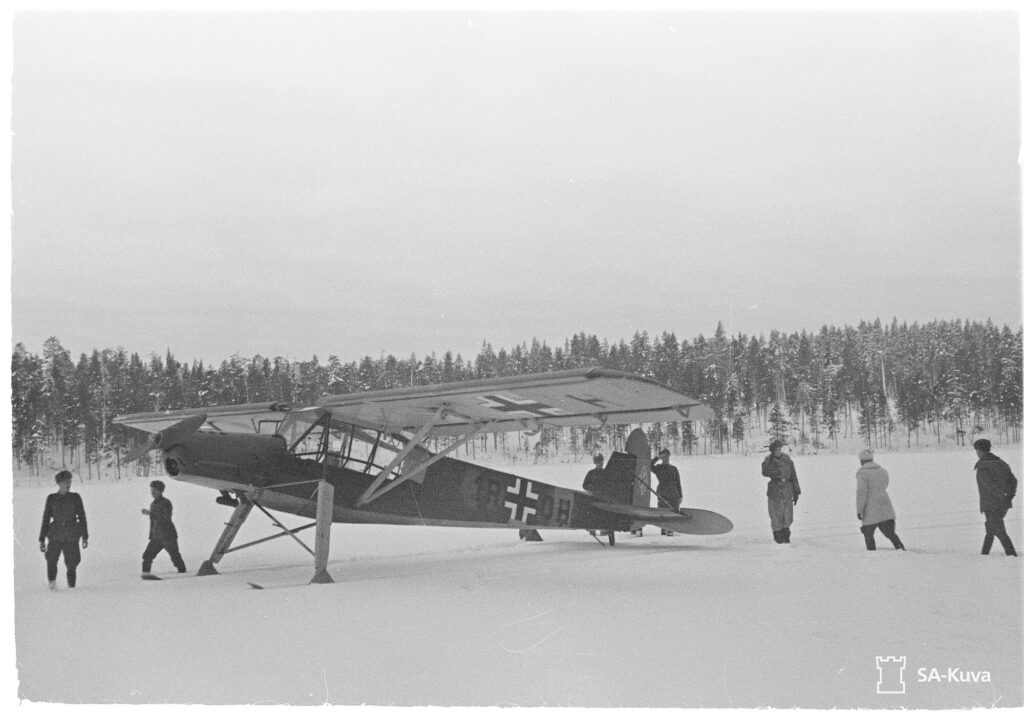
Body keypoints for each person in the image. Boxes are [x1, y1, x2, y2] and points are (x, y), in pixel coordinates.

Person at [38, 470, 88, 590]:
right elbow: (45, 518)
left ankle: (71, 587)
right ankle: (52, 585)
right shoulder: (51, 498)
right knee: (51, 560)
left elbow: (82, 517)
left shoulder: (75, 498)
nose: (68, 484)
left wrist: (85, 536)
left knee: (72, 564)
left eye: (70, 481)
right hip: (55, 535)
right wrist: (42, 539)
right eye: (66, 481)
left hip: (71, 536)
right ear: (59, 483)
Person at [973, 438, 1017, 557]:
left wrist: (1002, 497)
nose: (976, 453)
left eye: (976, 450)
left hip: (991, 505)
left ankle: (1012, 556)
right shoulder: (1001, 462)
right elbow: (1013, 481)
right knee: (991, 530)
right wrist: (1009, 496)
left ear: (980, 450)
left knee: (999, 532)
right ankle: (984, 555)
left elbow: (989, 486)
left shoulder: (982, 466)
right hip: (1003, 504)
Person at [856, 450, 905, 551]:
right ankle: (901, 550)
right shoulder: (882, 471)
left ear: (861, 461)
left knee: (868, 533)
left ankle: (871, 554)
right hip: (885, 505)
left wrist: (859, 510)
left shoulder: (862, 474)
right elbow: (885, 484)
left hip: (870, 509)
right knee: (890, 533)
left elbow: (861, 493)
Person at [141, 480, 187, 575]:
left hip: (168, 536)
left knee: (175, 556)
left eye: (154, 490)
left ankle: (183, 574)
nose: (152, 493)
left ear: (160, 491)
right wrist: (152, 535)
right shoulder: (153, 504)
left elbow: (165, 518)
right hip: (156, 537)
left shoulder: (166, 503)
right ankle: (145, 574)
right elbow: (153, 522)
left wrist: (150, 513)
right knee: (147, 556)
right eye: (151, 490)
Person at [762, 440, 800, 543]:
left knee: (787, 515)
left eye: (780, 449)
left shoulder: (787, 459)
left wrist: (796, 491)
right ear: (773, 451)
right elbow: (764, 472)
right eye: (776, 450)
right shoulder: (768, 460)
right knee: (775, 514)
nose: (779, 451)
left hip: (787, 490)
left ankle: (786, 533)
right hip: (774, 490)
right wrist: (776, 473)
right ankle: (778, 535)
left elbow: (793, 475)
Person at [651, 448, 682, 536]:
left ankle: (671, 530)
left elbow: (678, 482)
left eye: (667, 456)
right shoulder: (658, 468)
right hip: (663, 494)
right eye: (664, 456)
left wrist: (680, 496)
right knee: (662, 513)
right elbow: (648, 465)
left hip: (674, 494)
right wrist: (657, 458)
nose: (666, 458)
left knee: (674, 513)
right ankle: (664, 529)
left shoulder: (674, 469)